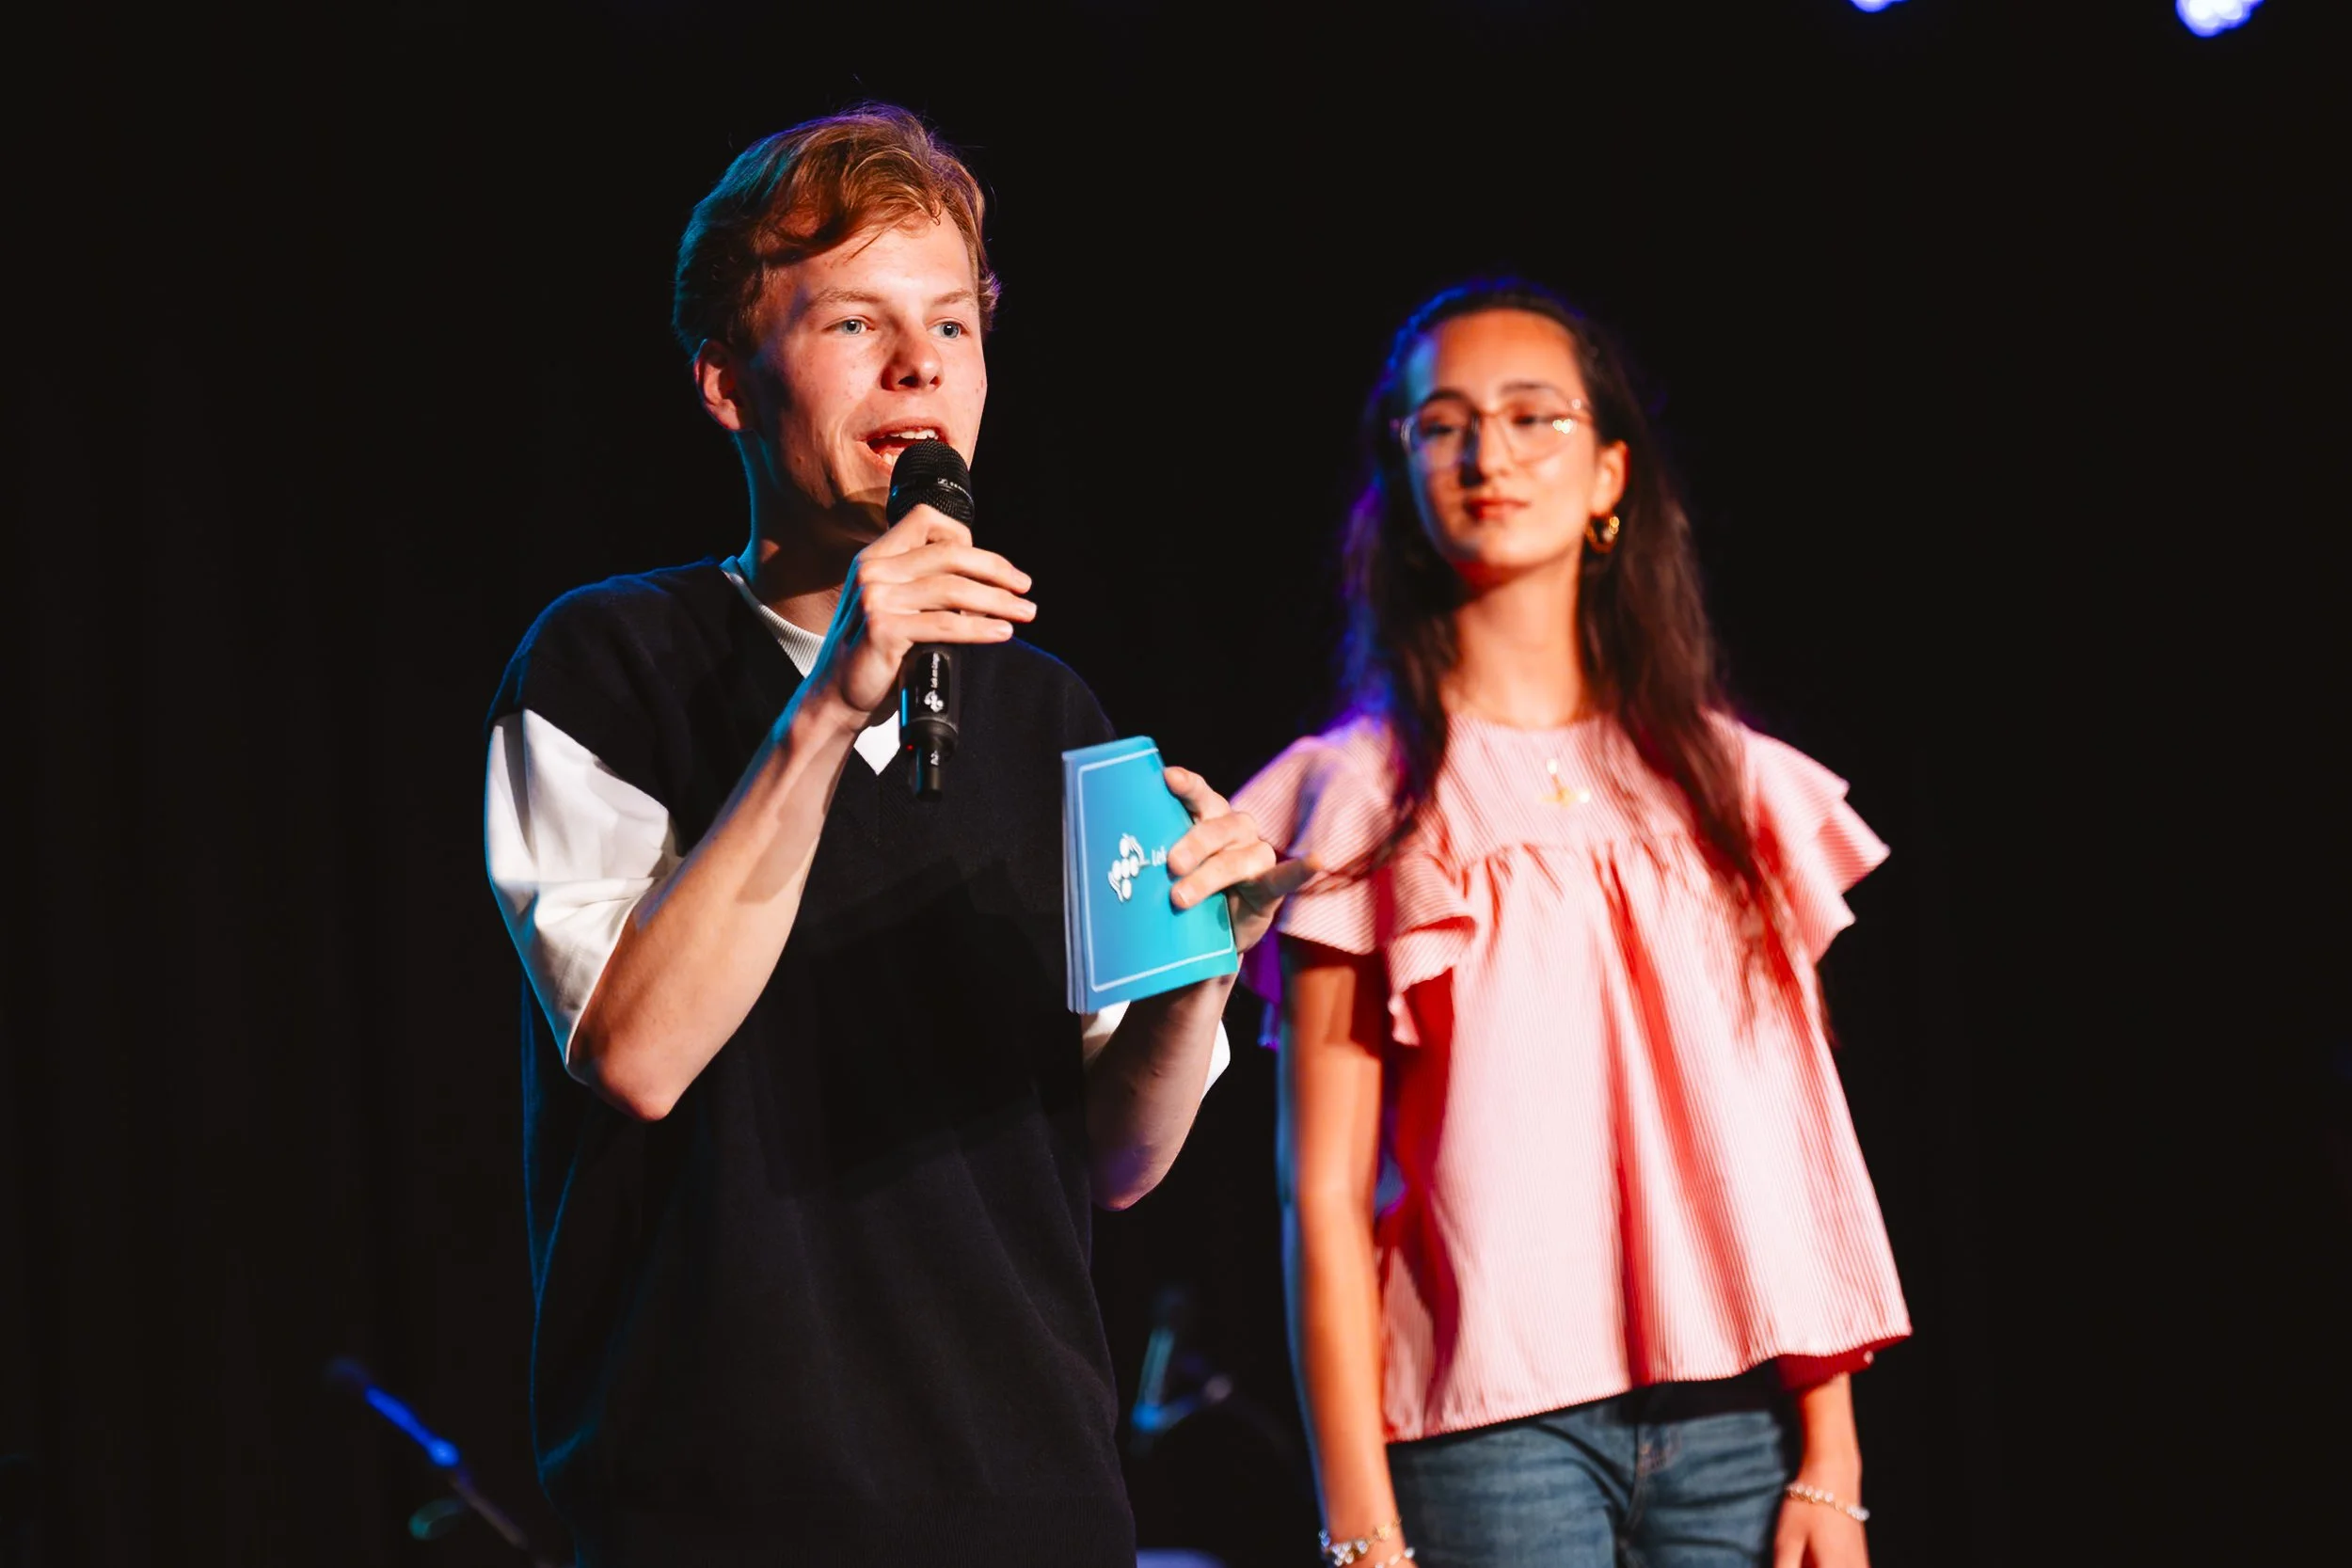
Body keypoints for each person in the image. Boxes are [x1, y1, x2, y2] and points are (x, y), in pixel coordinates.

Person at [482, 105, 1306, 1568]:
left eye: (951, 326)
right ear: (728, 382)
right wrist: (829, 701)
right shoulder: (604, 665)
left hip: (1033, 1500)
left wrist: (1201, 971)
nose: (919, 363)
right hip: (720, 1508)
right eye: (856, 320)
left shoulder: (1053, 710)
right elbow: (639, 1052)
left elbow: (1115, 1157)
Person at [1233, 279, 1910, 1568]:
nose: (1488, 453)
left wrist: (1834, 1452)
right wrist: (1359, 1528)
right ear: (1404, 471)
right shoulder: (1355, 796)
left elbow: (1788, 1145)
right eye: (1443, 423)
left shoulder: (1730, 785)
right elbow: (1318, 1191)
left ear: (1609, 474)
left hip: (1737, 1420)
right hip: (1489, 1434)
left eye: (1533, 415)